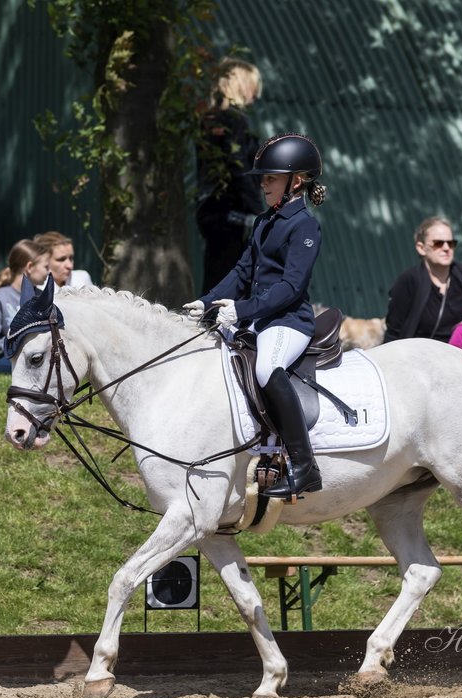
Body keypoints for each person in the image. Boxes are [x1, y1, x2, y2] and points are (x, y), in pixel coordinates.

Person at [183, 133, 326, 499]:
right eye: (263, 178)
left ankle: (304, 466)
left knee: (266, 369)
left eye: (270, 178)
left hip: (289, 321)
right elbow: (242, 272)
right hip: (258, 319)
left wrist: (242, 309)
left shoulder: (305, 225)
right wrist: (208, 301)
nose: (263, 184)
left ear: (297, 181)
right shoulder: (265, 220)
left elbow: (291, 288)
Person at [195, 58, 265, 294]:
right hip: (229, 214)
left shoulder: (211, 118)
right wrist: (258, 210)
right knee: (228, 283)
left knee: (220, 278)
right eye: (252, 87)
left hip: (214, 211)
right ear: (240, 84)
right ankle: (211, 327)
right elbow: (239, 167)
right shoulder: (232, 119)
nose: (255, 96)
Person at [383, 216, 462, 344]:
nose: (446, 248)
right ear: (421, 248)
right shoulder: (408, 281)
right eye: (438, 243)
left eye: (451, 243)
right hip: (424, 356)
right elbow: (394, 332)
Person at [0, 239, 49, 372]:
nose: (48, 272)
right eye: (45, 267)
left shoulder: (42, 297)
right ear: (30, 267)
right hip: (1, 359)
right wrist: (15, 339)